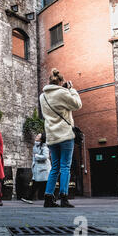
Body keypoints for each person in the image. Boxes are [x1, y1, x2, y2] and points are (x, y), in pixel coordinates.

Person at [39, 68, 82, 208]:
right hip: (65, 134)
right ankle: (64, 197)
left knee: (55, 167)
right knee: (65, 166)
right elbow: (77, 105)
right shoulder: (63, 92)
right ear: (61, 81)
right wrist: (71, 90)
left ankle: (48, 197)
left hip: (51, 136)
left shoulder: (43, 96)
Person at [20, 132, 51, 204]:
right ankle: (30, 198)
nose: (36, 136)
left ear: (41, 139)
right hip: (37, 168)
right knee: (37, 183)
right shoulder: (35, 146)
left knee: (39, 184)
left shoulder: (44, 147)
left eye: (38, 136)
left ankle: (30, 198)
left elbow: (46, 157)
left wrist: (37, 156)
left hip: (43, 169)